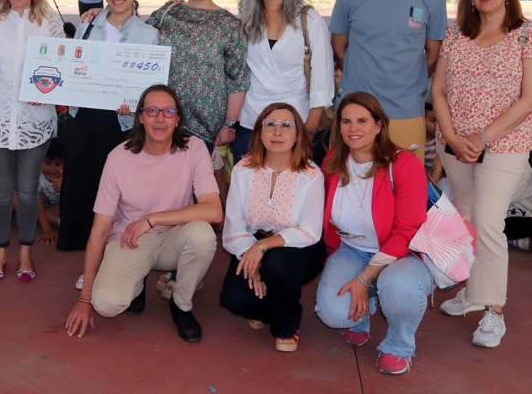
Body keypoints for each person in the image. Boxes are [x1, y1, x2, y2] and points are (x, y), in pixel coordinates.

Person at [431, 0, 532, 348]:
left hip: (503, 147)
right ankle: (473, 292)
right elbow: (438, 91)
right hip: (456, 146)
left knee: (488, 224)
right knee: (467, 220)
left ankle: (493, 312)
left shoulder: (529, 36)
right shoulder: (457, 35)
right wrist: (452, 137)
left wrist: (481, 138)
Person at [64, 85, 222, 342]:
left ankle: (181, 304)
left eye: (168, 111)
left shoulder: (194, 148)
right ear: (139, 116)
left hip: (174, 236)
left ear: (178, 118)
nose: (160, 118)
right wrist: (85, 299)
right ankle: (137, 282)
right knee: (106, 304)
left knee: (203, 235)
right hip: (130, 237)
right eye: (152, 111)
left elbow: (214, 211)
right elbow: (99, 230)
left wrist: (151, 219)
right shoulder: (118, 157)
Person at [315, 92, 431, 375]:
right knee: (332, 313)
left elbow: (407, 232)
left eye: (362, 120)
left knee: (399, 287)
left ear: (379, 125)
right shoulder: (333, 161)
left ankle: (398, 344)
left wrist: (364, 279)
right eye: (346, 121)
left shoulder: (403, 164)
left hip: (401, 253)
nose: (353, 128)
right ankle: (362, 312)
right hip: (352, 249)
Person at [0, 0, 64, 283]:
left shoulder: (51, 23)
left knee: (27, 193)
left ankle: (25, 254)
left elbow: (62, 69)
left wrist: (50, 92)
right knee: (1, 193)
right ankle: (0, 254)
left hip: (34, 120)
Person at [329, 0, 446, 160]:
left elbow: (433, 55)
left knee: (403, 190)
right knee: (348, 189)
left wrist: (404, 84)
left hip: (406, 112)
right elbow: (339, 46)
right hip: (355, 112)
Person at [58, 0, 159, 253]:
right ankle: (84, 253)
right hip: (84, 116)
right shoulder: (87, 25)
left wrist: (138, 105)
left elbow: (149, 84)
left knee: (115, 188)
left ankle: (113, 251)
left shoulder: (149, 34)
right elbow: (74, 67)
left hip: (121, 122)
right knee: (81, 183)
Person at [220, 103, 325, 352]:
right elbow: (234, 223)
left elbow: (310, 230)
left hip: (298, 246)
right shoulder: (242, 170)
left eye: (286, 125)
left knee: (278, 266)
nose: (278, 132)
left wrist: (262, 247)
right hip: (252, 241)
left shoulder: (311, 174)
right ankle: (270, 306)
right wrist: (251, 260)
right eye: (270, 125)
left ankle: (286, 325)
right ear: (259, 133)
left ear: (298, 134)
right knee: (233, 299)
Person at [234, 0, 334, 162]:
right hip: (252, 120)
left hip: (296, 121)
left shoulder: (308, 19)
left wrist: (309, 129)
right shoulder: (244, 20)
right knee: (248, 191)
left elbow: (322, 80)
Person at [146, 0, 250, 150]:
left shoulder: (230, 25)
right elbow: (136, 42)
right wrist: (106, 13)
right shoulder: (165, 14)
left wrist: (229, 125)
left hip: (206, 127)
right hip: (162, 118)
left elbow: (237, 80)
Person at [37, 138, 64, 244]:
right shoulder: (36, 175)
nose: (52, 169)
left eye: (58, 164)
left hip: (53, 208)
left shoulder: (68, 176)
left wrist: (65, 187)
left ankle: (31, 218)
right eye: (47, 163)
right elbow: (37, 203)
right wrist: (47, 229)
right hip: (38, 207)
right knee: (21, 201)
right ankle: (61, 223)